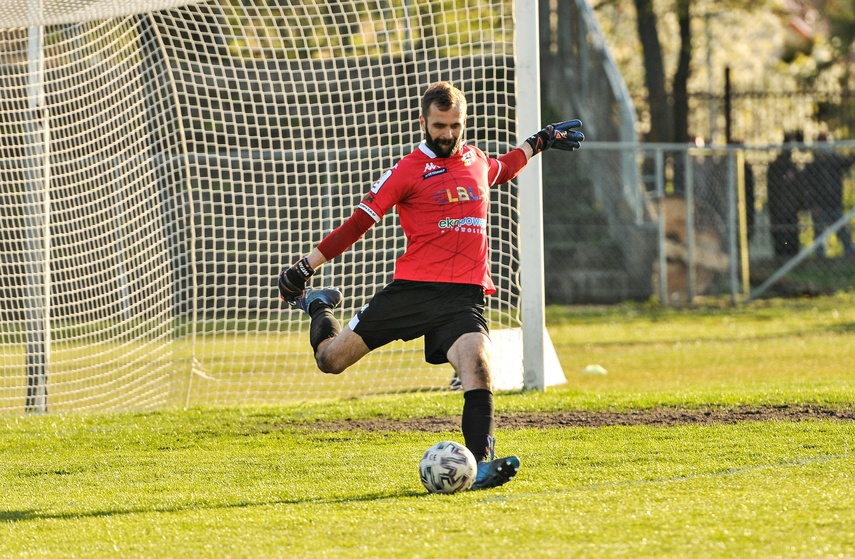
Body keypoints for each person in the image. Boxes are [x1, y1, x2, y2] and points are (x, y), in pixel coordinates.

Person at [277, 81, 583, 491]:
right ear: (423, 122)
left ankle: (479, 466)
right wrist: (306, 267)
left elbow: (503, 168)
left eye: (455, 126)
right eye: (439, 126)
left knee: (479, 369)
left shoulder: (475, 159)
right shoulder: (407, 170)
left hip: (464, 297)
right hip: (412, 291)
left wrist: (540, 140)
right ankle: (319, 307)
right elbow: (358, 223)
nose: (448, 135)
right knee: (330, 360)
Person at [802, 133, 855, 258]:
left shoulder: (834, 160)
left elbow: (847, 161)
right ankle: (821, 259)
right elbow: (808, 187)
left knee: (843, 231)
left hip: (835, 203)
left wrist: (852, 154)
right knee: (819, 234)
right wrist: (813, 205)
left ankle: (850, 256)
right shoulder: (813, 165)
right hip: (819, 206)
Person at [766, 131, 804, 258]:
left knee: (792, 236)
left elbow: (799, 188)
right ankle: (781, 259)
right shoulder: (776, 166)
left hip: (791, 209)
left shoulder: (793, 166)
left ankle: (792, 259)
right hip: (780, 209)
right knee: (781, 237)